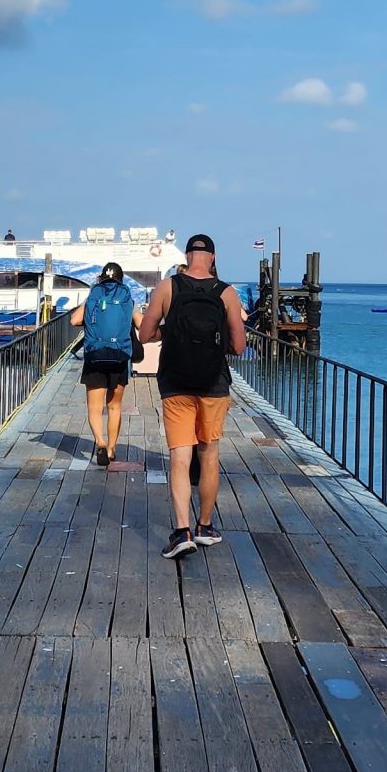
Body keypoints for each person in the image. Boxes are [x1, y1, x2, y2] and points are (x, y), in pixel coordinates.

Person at [140, 233, 247, 559]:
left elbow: (145, 335)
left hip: (176, 384)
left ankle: (182, 531)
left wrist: (169, 331)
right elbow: (239, 346)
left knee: (180, 456)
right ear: (212, 258)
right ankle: (205, 526)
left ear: (186, 257)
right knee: (209, 453)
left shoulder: (167, 287)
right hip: (213, 384)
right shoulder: (226, 293)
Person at [69, 263, 141, 467]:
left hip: (95, 356)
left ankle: (99, 442)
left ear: (101, 278)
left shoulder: (94, 295)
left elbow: (74, 320)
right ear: (121, 279)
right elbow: (141, 324)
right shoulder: (128, 298)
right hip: (119, 356)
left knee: (95, 407)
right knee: (114, 406)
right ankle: (111, 449)